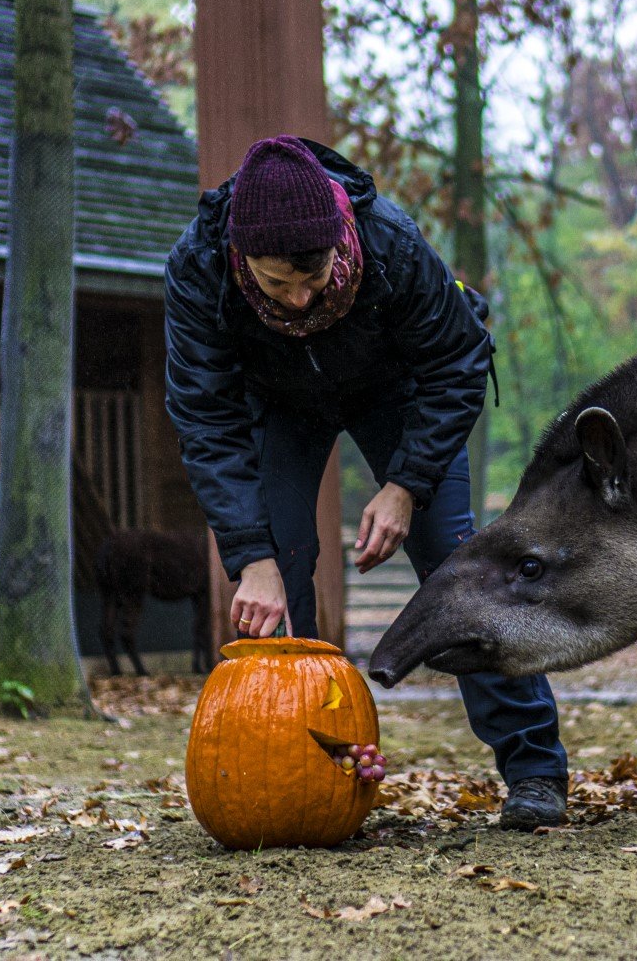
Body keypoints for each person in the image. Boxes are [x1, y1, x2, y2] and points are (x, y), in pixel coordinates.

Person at [163, 135, 569, 829]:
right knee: (276, 582)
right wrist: (251, 559)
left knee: (457, 566)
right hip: (277, 403)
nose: (296, 299)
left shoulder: (389, 242)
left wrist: (406, 485)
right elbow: (205, 418)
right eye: (273, 283)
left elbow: (457, 360)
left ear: (337, 239)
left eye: (312, 276)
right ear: (239, 258)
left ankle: (534, 770)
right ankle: (301, 787)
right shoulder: (199, 267)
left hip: (399, 392)